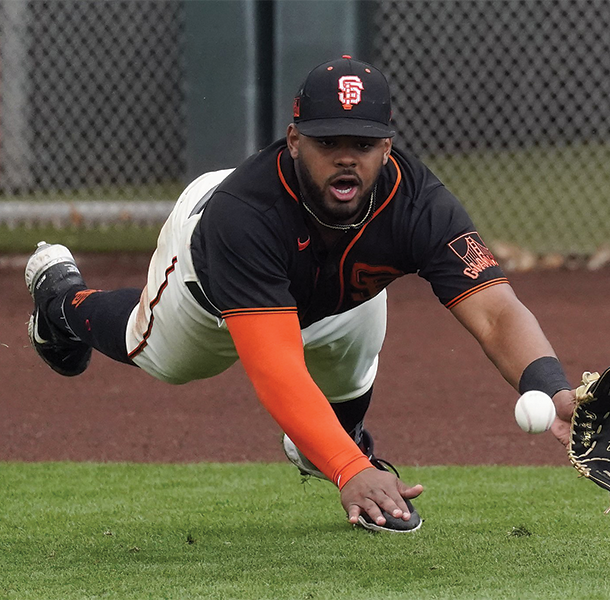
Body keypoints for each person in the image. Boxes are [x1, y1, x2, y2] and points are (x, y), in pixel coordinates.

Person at [25, 55, 575, 533]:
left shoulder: (416, 202)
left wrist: (552, 389)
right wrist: (349, 471)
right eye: (326, 141)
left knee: (355, 351)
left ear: (387, 147)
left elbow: (496, 310)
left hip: (330, 291)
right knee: (155, 353)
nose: (345, 157)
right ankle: (61, 300)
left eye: (361, 143)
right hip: (209, 276)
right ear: (294, 140)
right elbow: (275, 366)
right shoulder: (247, 214)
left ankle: (338, 439)